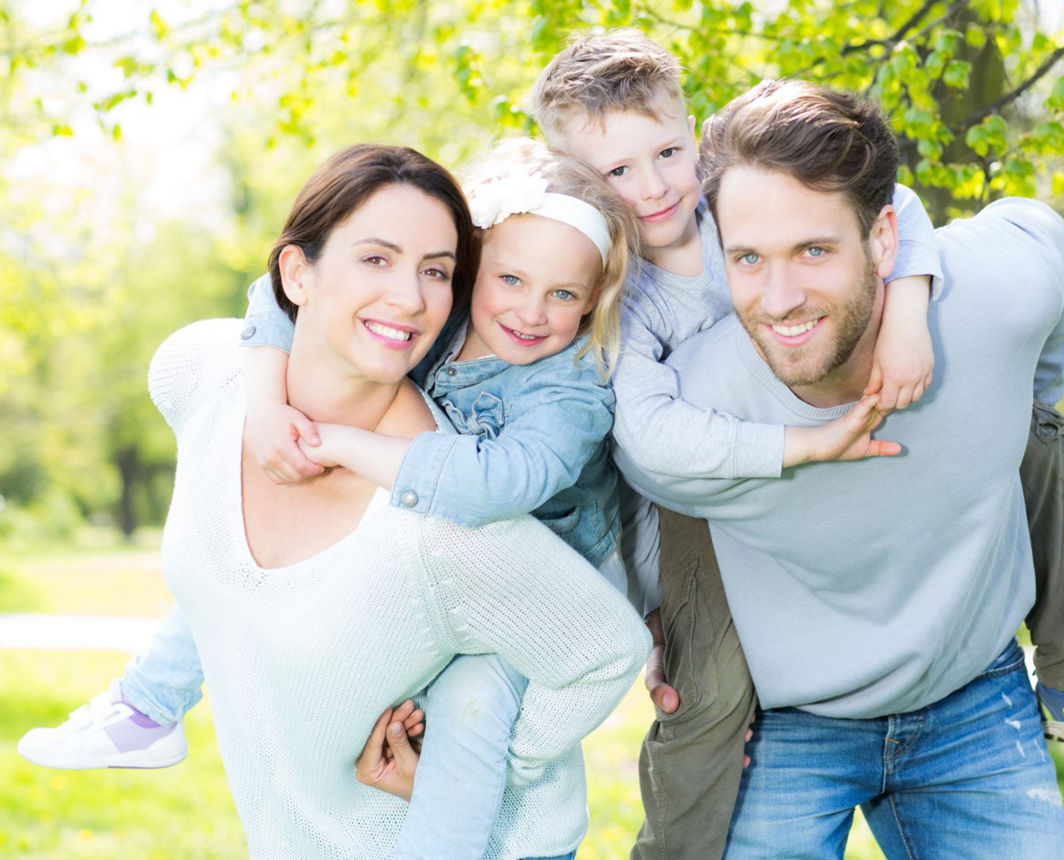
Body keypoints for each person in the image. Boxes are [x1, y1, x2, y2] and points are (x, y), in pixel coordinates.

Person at [532, 31, 1064, 858]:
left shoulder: (741, 196)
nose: (653, 188)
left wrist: (913, 307)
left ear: (693, 137)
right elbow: (649, 443)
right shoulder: (626, 295)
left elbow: (895, 204)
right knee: (699, 694)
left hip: (969, 684)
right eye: (616, 174)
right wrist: (806, 444)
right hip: (711, 522)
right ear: (581, 184)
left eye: (667, 153)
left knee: (1034, 429)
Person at [19, 143, 650, 860]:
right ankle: (150, 702)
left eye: (564, 294)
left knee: (473, 708)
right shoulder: (419, 324)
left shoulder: (561, 394)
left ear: (591, 300)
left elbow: (494, 493)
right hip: (442, 600)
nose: (531, 311)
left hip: (534, 574)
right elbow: (270, 297)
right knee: (224, 567)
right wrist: (263, 400)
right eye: (508, 278)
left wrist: (340, 444)